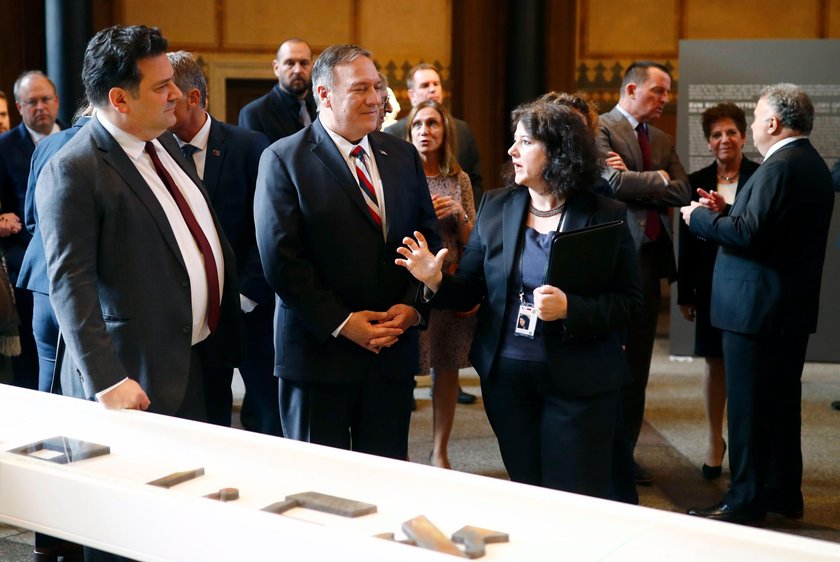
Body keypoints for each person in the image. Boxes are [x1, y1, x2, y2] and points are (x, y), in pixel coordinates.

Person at [38, 26, 244, 560]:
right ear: (119, 99)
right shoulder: (74, 168)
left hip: (193, 359)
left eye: (173, 82)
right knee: (127, 536)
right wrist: (108, 382)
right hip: (133, 384)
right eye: (161, 86)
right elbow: (69, 284)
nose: (175, 94)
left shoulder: (164, 144)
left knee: (185, 521)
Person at [396, 99, 642, 501]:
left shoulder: (605, 213)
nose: (511, 151)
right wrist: (436, 278)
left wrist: (571, 309)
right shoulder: (497, 207)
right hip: (507, 381)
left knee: (571, 495)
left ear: (558, 151)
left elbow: (630, 304)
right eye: (514, 141)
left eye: (524, 142)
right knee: (527, 490)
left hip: (577, 380)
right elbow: (471, 289)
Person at [254, 44, 440, 460]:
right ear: (324, 95)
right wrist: (343, 323)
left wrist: (413, 308)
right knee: (320, 491)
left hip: (390, 353)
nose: (376, 99)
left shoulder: (402, 155)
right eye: (360, 89)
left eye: (377, 87)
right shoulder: (283, 159)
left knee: (388, 479)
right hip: (318, 354)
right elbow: (281, 261)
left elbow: (429, 240)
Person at [683, 83, 834, 523]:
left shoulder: (778, 166)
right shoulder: (809, 164)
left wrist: (702, 218)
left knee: (749, 412)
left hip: (756, 312)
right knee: (781, 408)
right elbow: (767, 230)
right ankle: (784, 494)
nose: (751, 125)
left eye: (754, 117)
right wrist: (725, 213)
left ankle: (745, 500)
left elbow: (749, 235)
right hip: (783, 308)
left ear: (773, 123)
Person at [166, 51, 277, 433]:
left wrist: (246, 294)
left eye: (169, 93)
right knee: (206, 415)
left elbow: (268, 229)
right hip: (190, 314)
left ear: (193, 98)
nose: (162, 101)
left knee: (267, 414)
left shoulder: (249, 145)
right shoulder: (156, 151)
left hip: (249, 309)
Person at [595, 61, 691, 485]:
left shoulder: (664, 138)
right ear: (632, 89)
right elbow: (610, 185)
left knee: (638, 364)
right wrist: (657, 177)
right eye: (658, 91)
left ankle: (625, 455)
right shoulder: (600, 128)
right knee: (607, 360)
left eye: (667, 92)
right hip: (613, 261)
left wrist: (638, 179)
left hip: (651, 259)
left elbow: (683, 191)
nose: (665, 99)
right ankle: (601, 451)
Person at [677, 102, 759, 480]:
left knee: (746, 366)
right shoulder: (698, 179)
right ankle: (714, 440)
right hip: (710, 286)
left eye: (730, 132)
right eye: (716, 134)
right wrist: (685, 292)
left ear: (743, 136)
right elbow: (688, 241)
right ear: (708, 142)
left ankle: (746, 445)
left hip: (750, 284)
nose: (724, 139)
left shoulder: (760, 177)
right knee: (714, 362)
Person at [406, 99, 476, 469]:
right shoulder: (401, 174)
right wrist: (424, 217)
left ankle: (439, 450)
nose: (424, 131)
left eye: (432, 124)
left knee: (446, 366)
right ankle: (397, 449)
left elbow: (473, 240)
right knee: (406, 365)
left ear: (444, 132)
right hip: (412, 281)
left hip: (449, 278)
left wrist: (460, 214)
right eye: (417, 125)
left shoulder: (459, 178)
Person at [0, 70, 64, 391]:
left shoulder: (74, 137)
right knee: (33, 367)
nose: (40, 107)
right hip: (25, 266)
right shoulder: (4, 146)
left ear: (57, 101)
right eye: (31, 101)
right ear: (19, 106)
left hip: (70, 263)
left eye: (45, 99)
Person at [238, 38, 316, 143]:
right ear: (276, 68)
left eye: (304, 63)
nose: (297, 70)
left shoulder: (326, 108)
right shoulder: (254, 113)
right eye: (290, 63)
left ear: (313, 67)